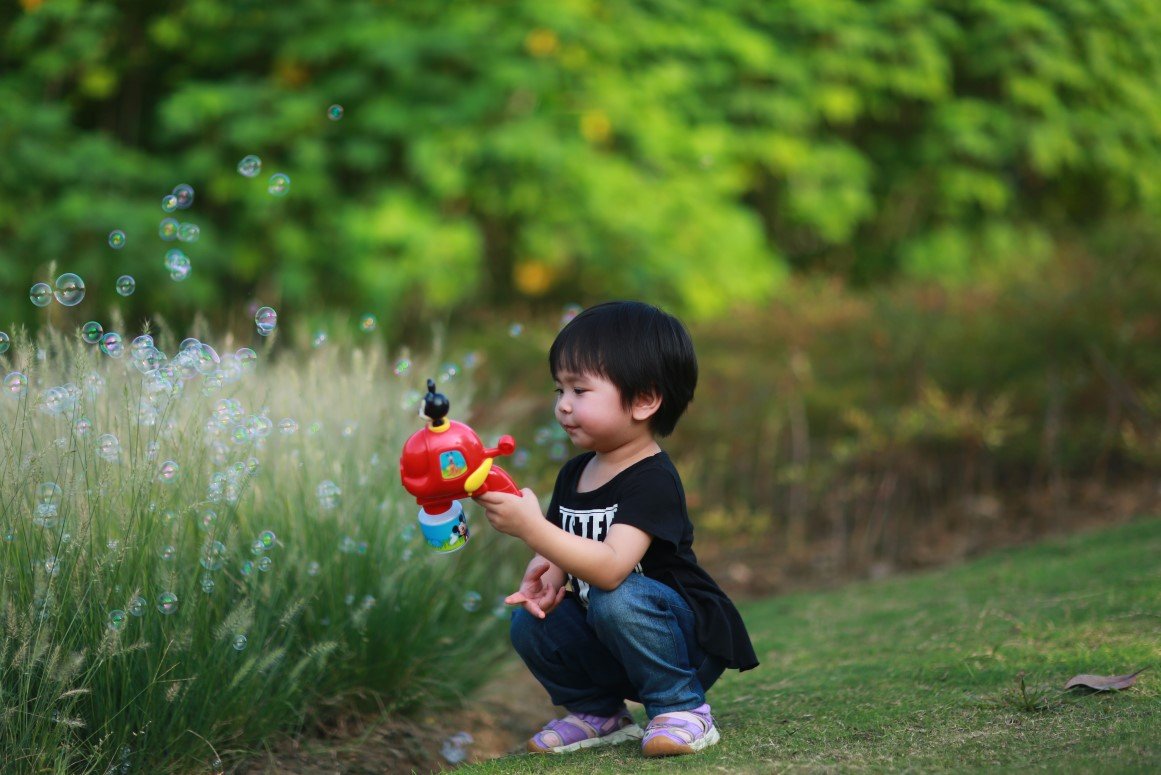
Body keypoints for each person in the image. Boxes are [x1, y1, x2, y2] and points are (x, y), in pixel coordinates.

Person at [473, 300, 759, 758]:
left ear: (644, 399)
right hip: (609, 636)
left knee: (618, 594)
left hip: (679, 642)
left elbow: (608, 569)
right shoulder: (574, 473)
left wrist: (531, 530)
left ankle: (681, 707)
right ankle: (598, 712)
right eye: (559, 390)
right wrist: (548, 572)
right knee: (530, 618)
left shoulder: (652, 478)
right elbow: (565, 547)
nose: (563, 406)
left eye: (580, 390)